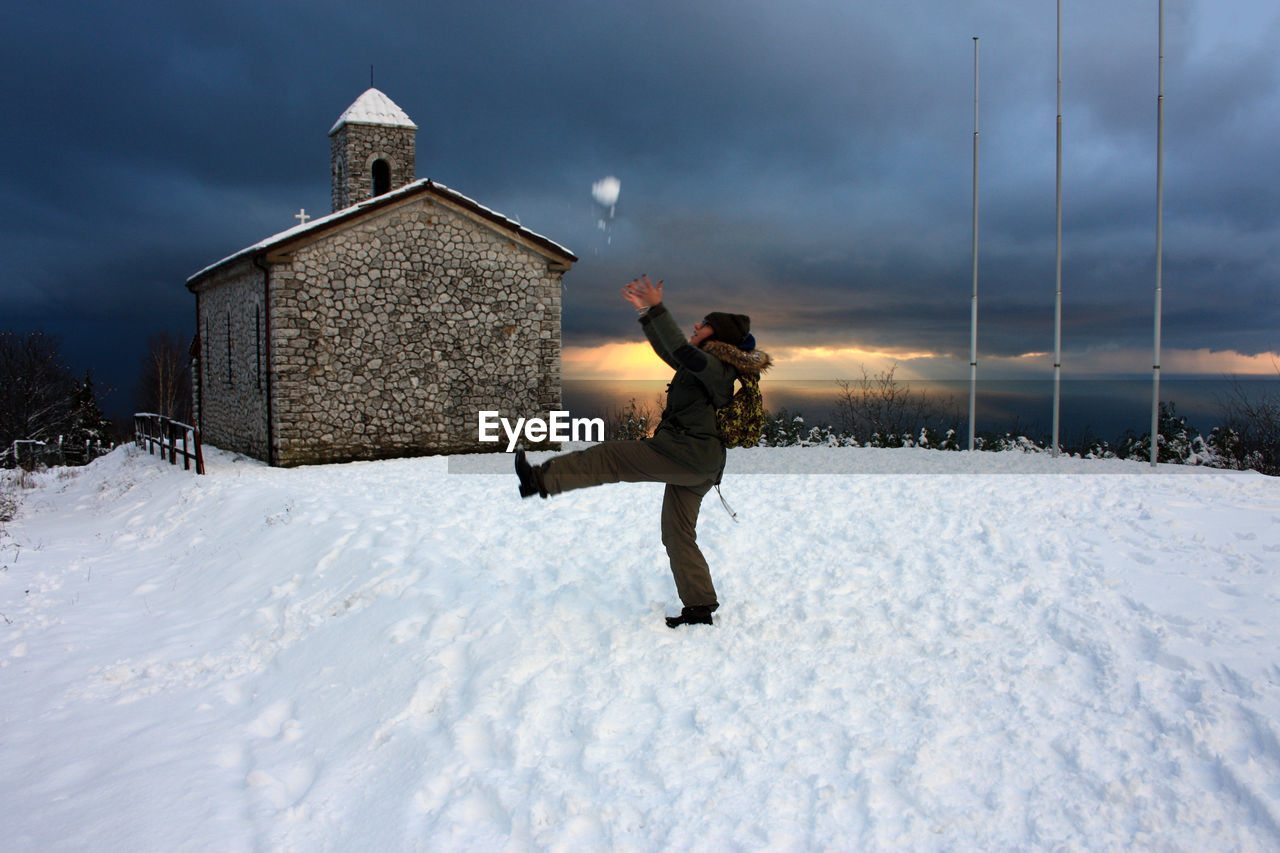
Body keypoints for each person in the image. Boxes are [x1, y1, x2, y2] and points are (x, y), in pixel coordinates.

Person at [514, 275, 772, 628]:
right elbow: (672, 351)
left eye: (706, 324)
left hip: (685, 456)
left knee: (610, 457)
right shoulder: (706, 366)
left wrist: (656, 307)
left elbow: (679, 349)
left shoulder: (714, 367)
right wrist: (647, 313)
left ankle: (538, 480)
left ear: (719, 337)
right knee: (677, 533)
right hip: (699, 463)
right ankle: (699, 606)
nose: (697, 325)